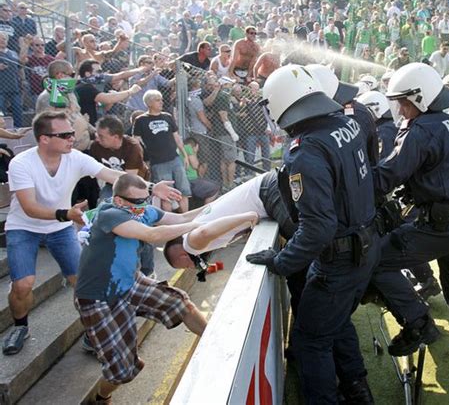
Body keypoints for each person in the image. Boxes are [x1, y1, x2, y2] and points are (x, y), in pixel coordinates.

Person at [246, 64, 380, 403]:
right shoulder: (348, 125)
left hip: (338, 260)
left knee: (310, 341)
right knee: (334, 323)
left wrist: (280, 261)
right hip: (365, 245)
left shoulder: (305, 153)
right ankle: (357, 388)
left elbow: (317, 227)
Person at [2, 111, 181, 356]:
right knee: (23, 285)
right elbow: (29, 207)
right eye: (64, 135)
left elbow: (112, 175)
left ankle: (93, 331)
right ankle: (20, 326)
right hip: (24, 227)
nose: (72, 139)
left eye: (72, 133)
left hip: (61, 226)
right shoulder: (21, 163)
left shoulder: (74, 157)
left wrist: (151, 187)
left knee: (84, 281)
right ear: (44, 139)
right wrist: (67, 214)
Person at [370, 63, 449, 374]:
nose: (401, 110)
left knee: (376, 259)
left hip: (441, 225)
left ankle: (419, 322)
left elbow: (388, 176)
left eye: (404, 102)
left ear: (422, 97)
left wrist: (349, 181)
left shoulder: (422, 130)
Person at [75, 173, 207, 404]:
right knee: (124, 370)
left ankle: (214, 340)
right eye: (136, 202)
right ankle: (101, 397)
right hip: (98, 299)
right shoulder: (110, 214)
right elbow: (152, 234)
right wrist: (198, 225)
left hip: (130, 282)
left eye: (145, 200)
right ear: (118, 200)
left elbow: (182, 217)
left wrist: (219, 206)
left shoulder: (142, 209)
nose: (142, 206)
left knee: (180, 302)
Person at [163, 170, 296, 268]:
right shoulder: (197, 221)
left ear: (183, 256)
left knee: (302, 243)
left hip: (267, 193)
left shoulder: (190, 245)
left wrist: (246, 217)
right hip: (269, 184)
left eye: (185, 266)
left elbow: (205, 233)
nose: (190, 268)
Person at [132, 90, 192, 212]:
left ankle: (186, 220)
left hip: (175, 159)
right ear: (149, 103)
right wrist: (142, 161)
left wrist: (184, 155)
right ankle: (169, 223)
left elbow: (177, 137)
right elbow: (136, 143)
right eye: (157, 100)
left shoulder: (167, 117)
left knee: (184, 192)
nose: (161, 102)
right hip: (158, 163)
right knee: (167, 196)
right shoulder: (141, 120)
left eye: (161, 100)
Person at [0, 31, 23, 127]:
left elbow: (20, 67)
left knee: (18, 110)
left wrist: (22, 80)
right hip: (1, 89)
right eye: (0, 38)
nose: (2, 40)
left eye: (4, 38)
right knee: (2, 112)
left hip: (14, 87)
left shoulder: (13, 53)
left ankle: (18, 130)